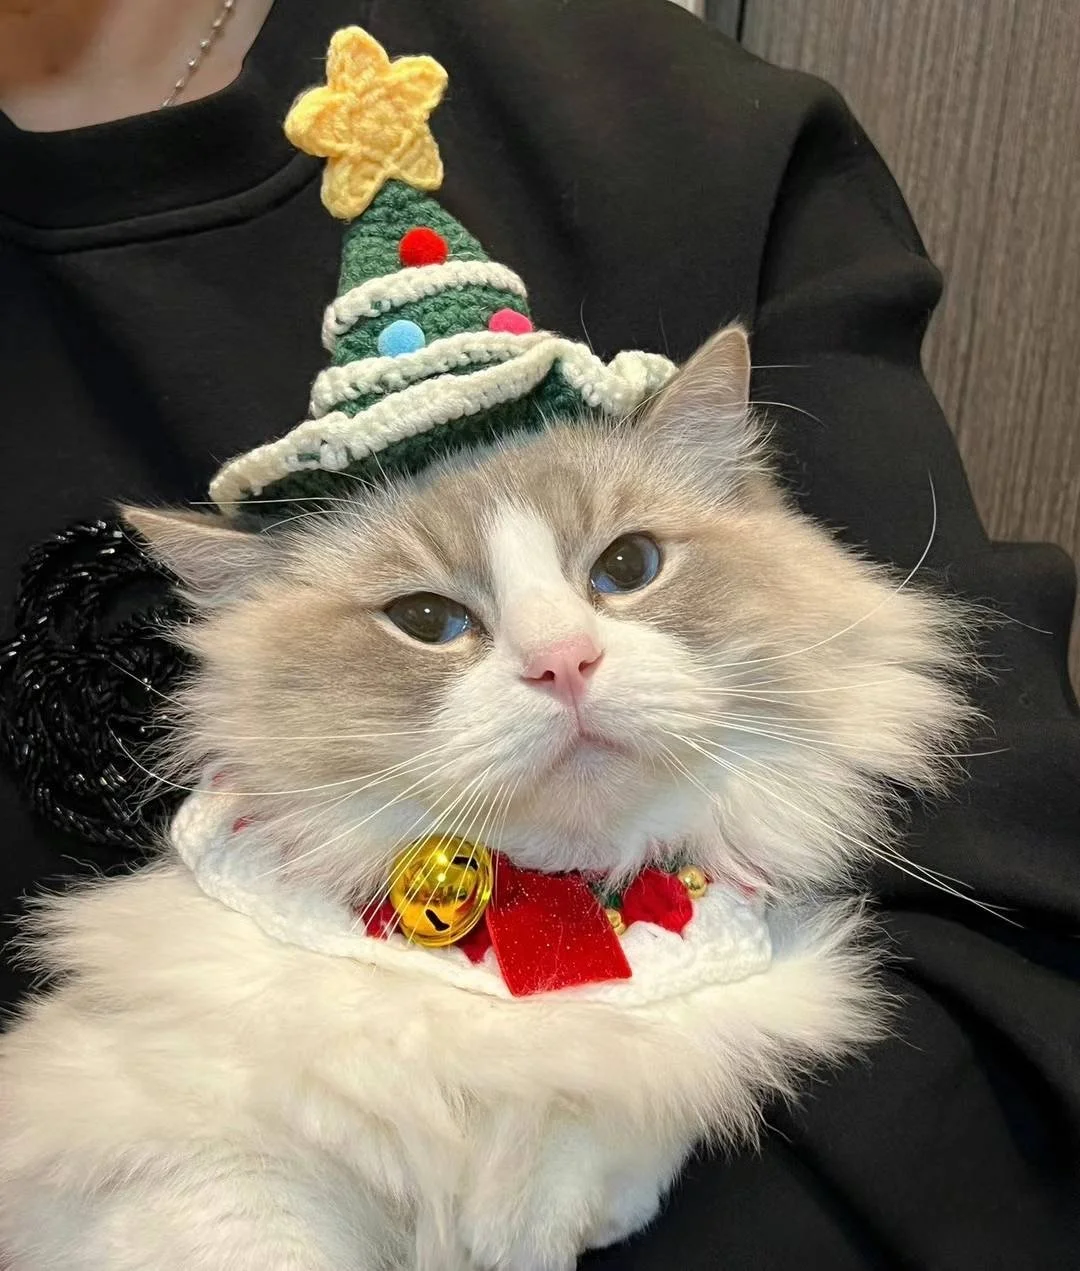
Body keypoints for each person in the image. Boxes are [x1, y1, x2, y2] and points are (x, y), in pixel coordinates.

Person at [0, 1, 1077, 1267]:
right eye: (428, 614)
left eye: (624, 563)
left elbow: (1017, 983)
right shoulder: (246, 936)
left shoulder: (666, 122)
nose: (561, 656)